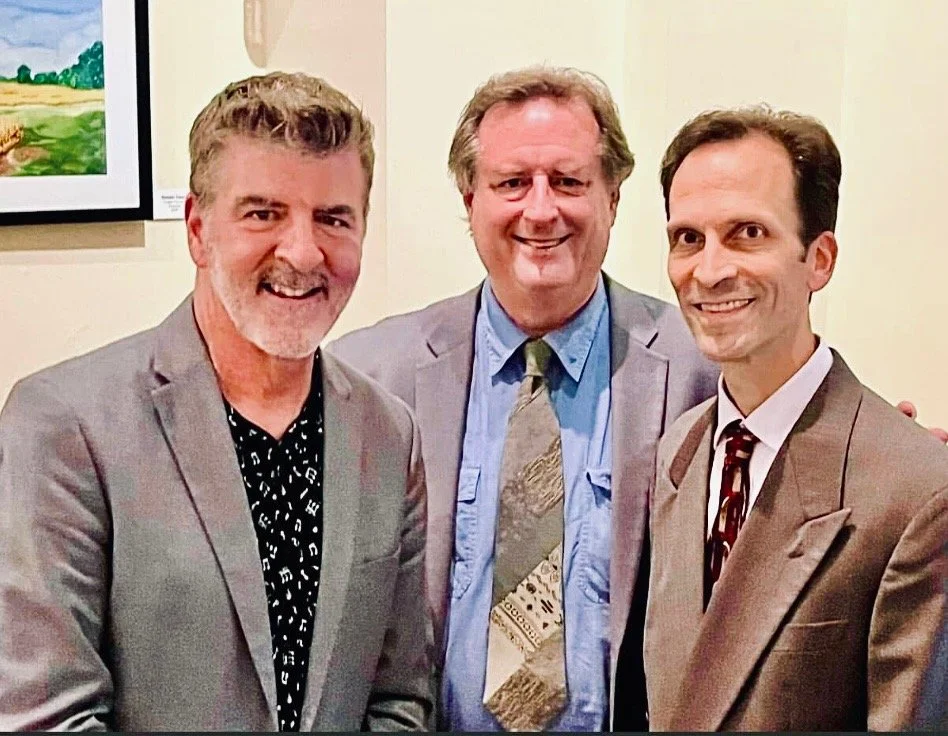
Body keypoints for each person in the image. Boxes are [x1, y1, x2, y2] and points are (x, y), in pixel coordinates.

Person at [0, 72, 432, 731]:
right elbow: (45, 717)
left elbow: (399, 700)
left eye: (333, 218)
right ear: (199, 231)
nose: (302, 250)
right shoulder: (64, 424)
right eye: (264, 213)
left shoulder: (388, 431)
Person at [329, 66, 717, 731]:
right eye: (512, 183)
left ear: (614, 198)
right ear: (470, 197)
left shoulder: (701, 367)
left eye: (569, 182)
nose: (542, 210)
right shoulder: (370, 378)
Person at [644, 105, 948, 731]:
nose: (709, 270)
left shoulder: (918, 490)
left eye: (748, 233)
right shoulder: (678, 452)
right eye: (687, 238)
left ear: (820, 259)